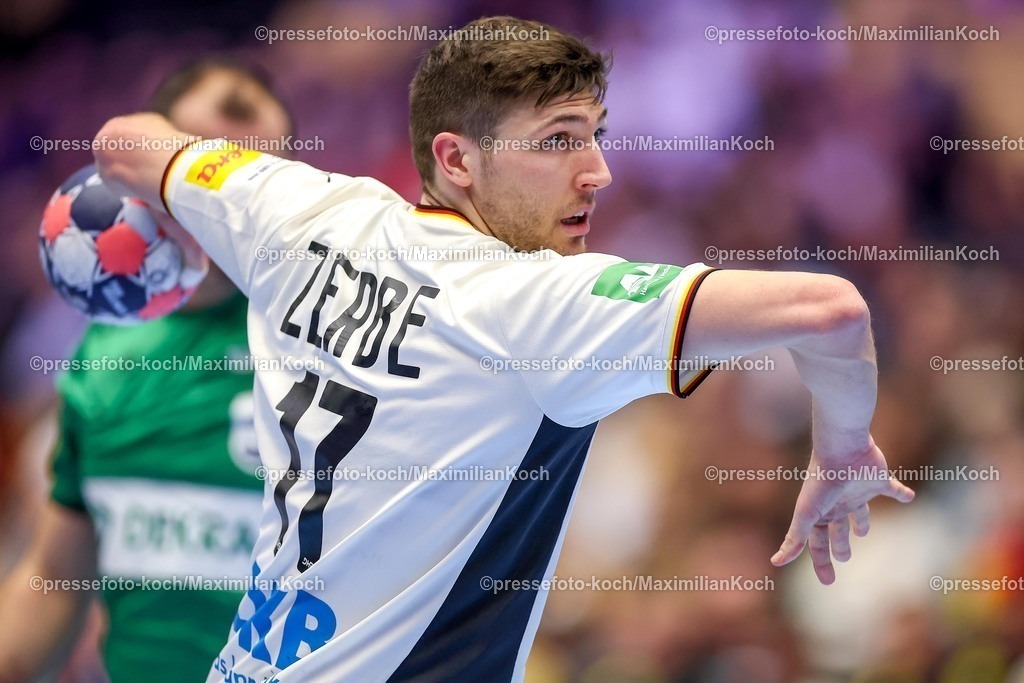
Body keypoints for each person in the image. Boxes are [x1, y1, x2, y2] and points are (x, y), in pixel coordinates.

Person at [93, 16, 915, 683]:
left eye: (595, 135)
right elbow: (830, 308)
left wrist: (164, 220)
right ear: (456, 158)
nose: (598, 171)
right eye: (558, 139)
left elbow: (124, 142)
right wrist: (843, 445)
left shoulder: (298, 209)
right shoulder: (530, 305)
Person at [0, 58, 292, 683]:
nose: (222, 204)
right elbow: (52, 582)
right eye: (203, 169)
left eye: (252, 176)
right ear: (141, 176)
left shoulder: (325, 346)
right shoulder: (103, 355)